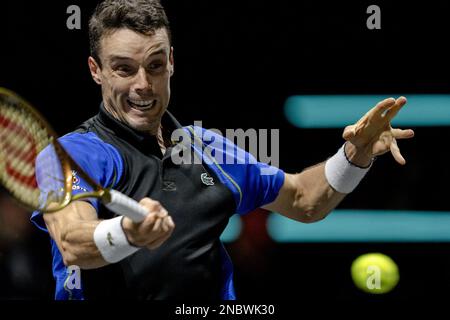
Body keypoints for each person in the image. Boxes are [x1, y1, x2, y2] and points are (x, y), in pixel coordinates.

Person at [31, 0, 414, 300]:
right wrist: (127, 232)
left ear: (172, 62)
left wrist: (357, 154)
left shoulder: (208, 148)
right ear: (96, 70)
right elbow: (72, 241)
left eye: (155, 65)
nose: (144, 84)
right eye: (124, 69)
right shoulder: (70, 153)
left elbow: (305, 200)